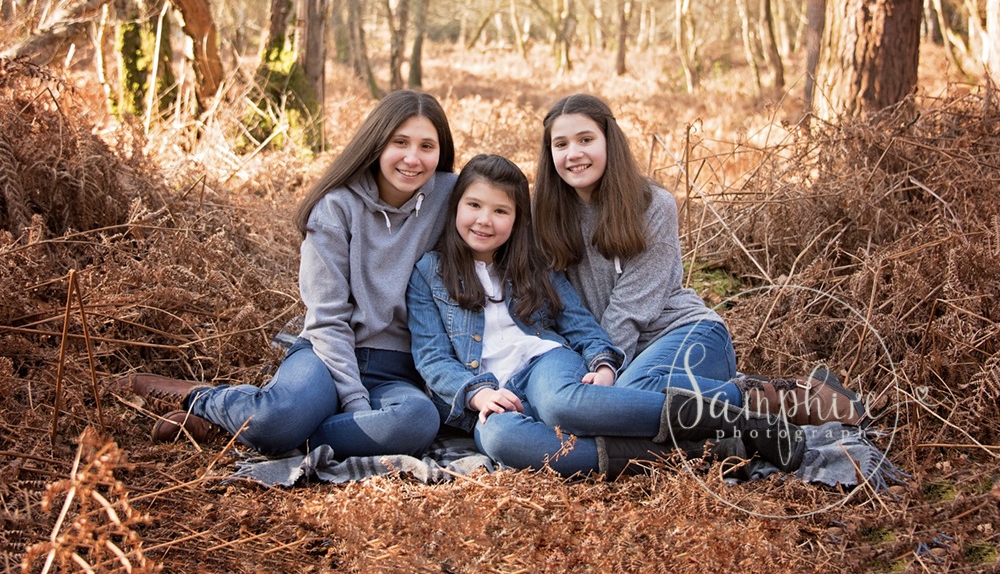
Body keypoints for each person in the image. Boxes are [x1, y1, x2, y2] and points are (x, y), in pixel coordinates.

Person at [407, 154, 806, 479]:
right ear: (455, 206)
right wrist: (477, 394)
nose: (484, 220)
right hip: (492, 390)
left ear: (516, 220)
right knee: (500, 441)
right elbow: (432, 357)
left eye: (500, 210)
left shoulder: (533, 264)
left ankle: (735, 401)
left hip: (546, 364)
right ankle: (714, 441)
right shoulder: (429, 272)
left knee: (562, 407)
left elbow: (577, 321)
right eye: (473, 205)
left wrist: (602, 361)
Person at [119, 90, 458, 458]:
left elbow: (506, 202)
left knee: (417, 421)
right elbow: (328, 318)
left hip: (398, 373)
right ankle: (204, 400)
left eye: (427, 145)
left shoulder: (451, 198)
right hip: (327, 356)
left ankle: (246, 427)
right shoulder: (336, 208)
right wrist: (356, 407)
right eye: (400, 142)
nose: (413, 158)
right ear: (377, 143)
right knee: (278, 418)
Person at [533, 93, 865, 427]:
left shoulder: (652, 206)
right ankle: (739, 430)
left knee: (635, 390)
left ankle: (792, 397)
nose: (573, 154)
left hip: (686, 335)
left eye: (586, 139)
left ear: (609, 141)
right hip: (615, 354)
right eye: (560, 145)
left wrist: (606, 366)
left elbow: (630, 308)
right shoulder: (544, 216)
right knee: (621, 401)